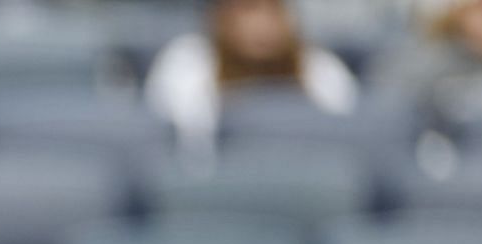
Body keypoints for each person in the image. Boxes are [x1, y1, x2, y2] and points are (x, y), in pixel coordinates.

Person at [143, 0, 358, 157]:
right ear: (220, 16)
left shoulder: (322, 66)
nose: (261, 22)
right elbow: (185, 153)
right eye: (248, 9)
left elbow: (344, 141)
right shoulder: (185, 63)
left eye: (273, 9)